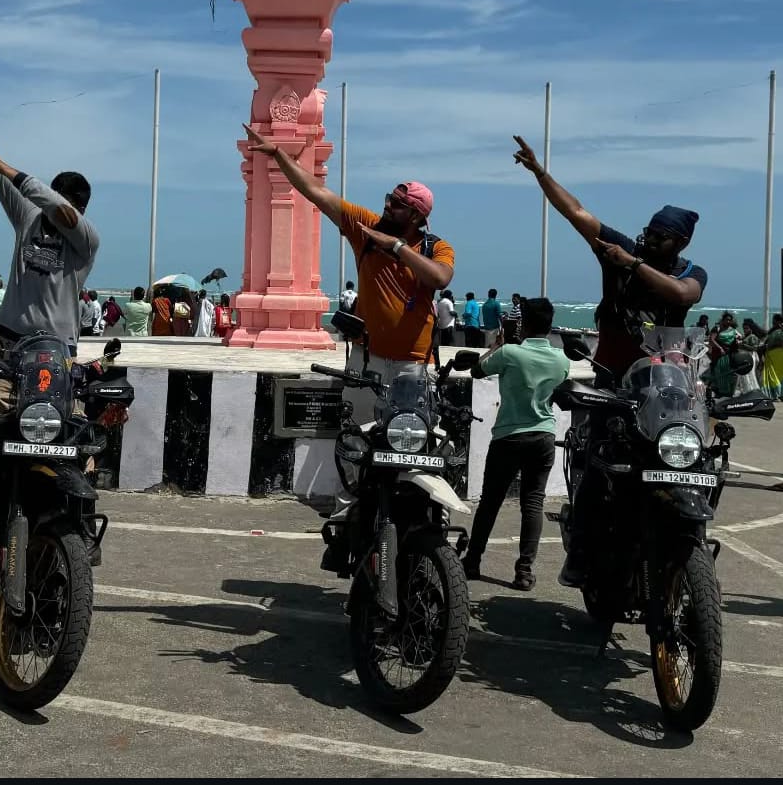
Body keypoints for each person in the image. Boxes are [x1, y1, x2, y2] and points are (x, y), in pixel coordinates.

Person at [512, 133, 706, 587]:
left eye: (660, 236)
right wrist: (541, 174)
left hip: (667, 387)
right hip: (614, 382)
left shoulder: (687, 271)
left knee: (697, 462)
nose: (649, 238)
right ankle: (579, 551)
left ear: (678, 242)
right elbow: (578, 214)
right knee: (601, 465)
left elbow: (682, 295)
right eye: (649, 230)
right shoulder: (621, 251)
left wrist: (633, 265)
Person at [0, 90, 99, 566]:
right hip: (9, 348)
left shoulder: (85, 237)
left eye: (56, 202)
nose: (51, 211)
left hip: (57, 355)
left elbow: (54, 205)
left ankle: (78, 524)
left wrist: (14, 170)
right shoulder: (28, 217)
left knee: (68, 441)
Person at [243, 121, 454, 406]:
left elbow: (440, 278)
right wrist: (279, 154)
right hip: (367, 357)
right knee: (355, 436)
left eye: (398, 203)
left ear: (417, 217)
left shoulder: (435, 247)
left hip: (414, 363)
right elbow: (317, 192)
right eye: (389, 198)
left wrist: (395, 246)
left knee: (407, 438)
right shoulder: (366, 227)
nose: (388, 205)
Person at [464, 298, 569, 590]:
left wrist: (498, 343)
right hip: (544, 436)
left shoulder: (510, 353)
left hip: (509, 435)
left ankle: (473, 561)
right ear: (549, 325)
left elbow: (477, 370)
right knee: (532, 503)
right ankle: (524, 571)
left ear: (524, 324)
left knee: (490, 503)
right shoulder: (560, 360)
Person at [761, 314, 783, 400]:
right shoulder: (772, 332)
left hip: (777, 356)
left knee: (775, 376)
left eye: (774, 320)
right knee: (775, 376)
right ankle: (777, 394)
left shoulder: (779, 331)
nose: (773, 322)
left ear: (779, 321)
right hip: (772, 356)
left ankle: (777, 394)